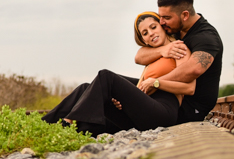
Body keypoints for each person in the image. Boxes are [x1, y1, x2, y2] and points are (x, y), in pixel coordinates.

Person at [42, 12, 196, 137]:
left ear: (162, 27)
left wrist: (156, 82)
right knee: (85, 89)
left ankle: (67, 122)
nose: (151, 33)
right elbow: (138, 57)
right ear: (144, 40)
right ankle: (43, 127)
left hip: (163, 112)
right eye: (145, 33)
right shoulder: (154, 54)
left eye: (153, 27)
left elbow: (189, 88)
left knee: (105, 77)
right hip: (144, 111)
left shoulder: (179, 48)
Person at [135, 0, 223, 124]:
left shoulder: (206, 37)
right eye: (161, 16)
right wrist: (162, 51)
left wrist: (155, 83)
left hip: (187, 109)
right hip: (168, 95)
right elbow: (139, 56)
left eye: (166, 17)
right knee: (103, 86)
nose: (161, 22)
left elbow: (193, 69)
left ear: (185, 15)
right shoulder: (174, 28)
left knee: (109, 81)